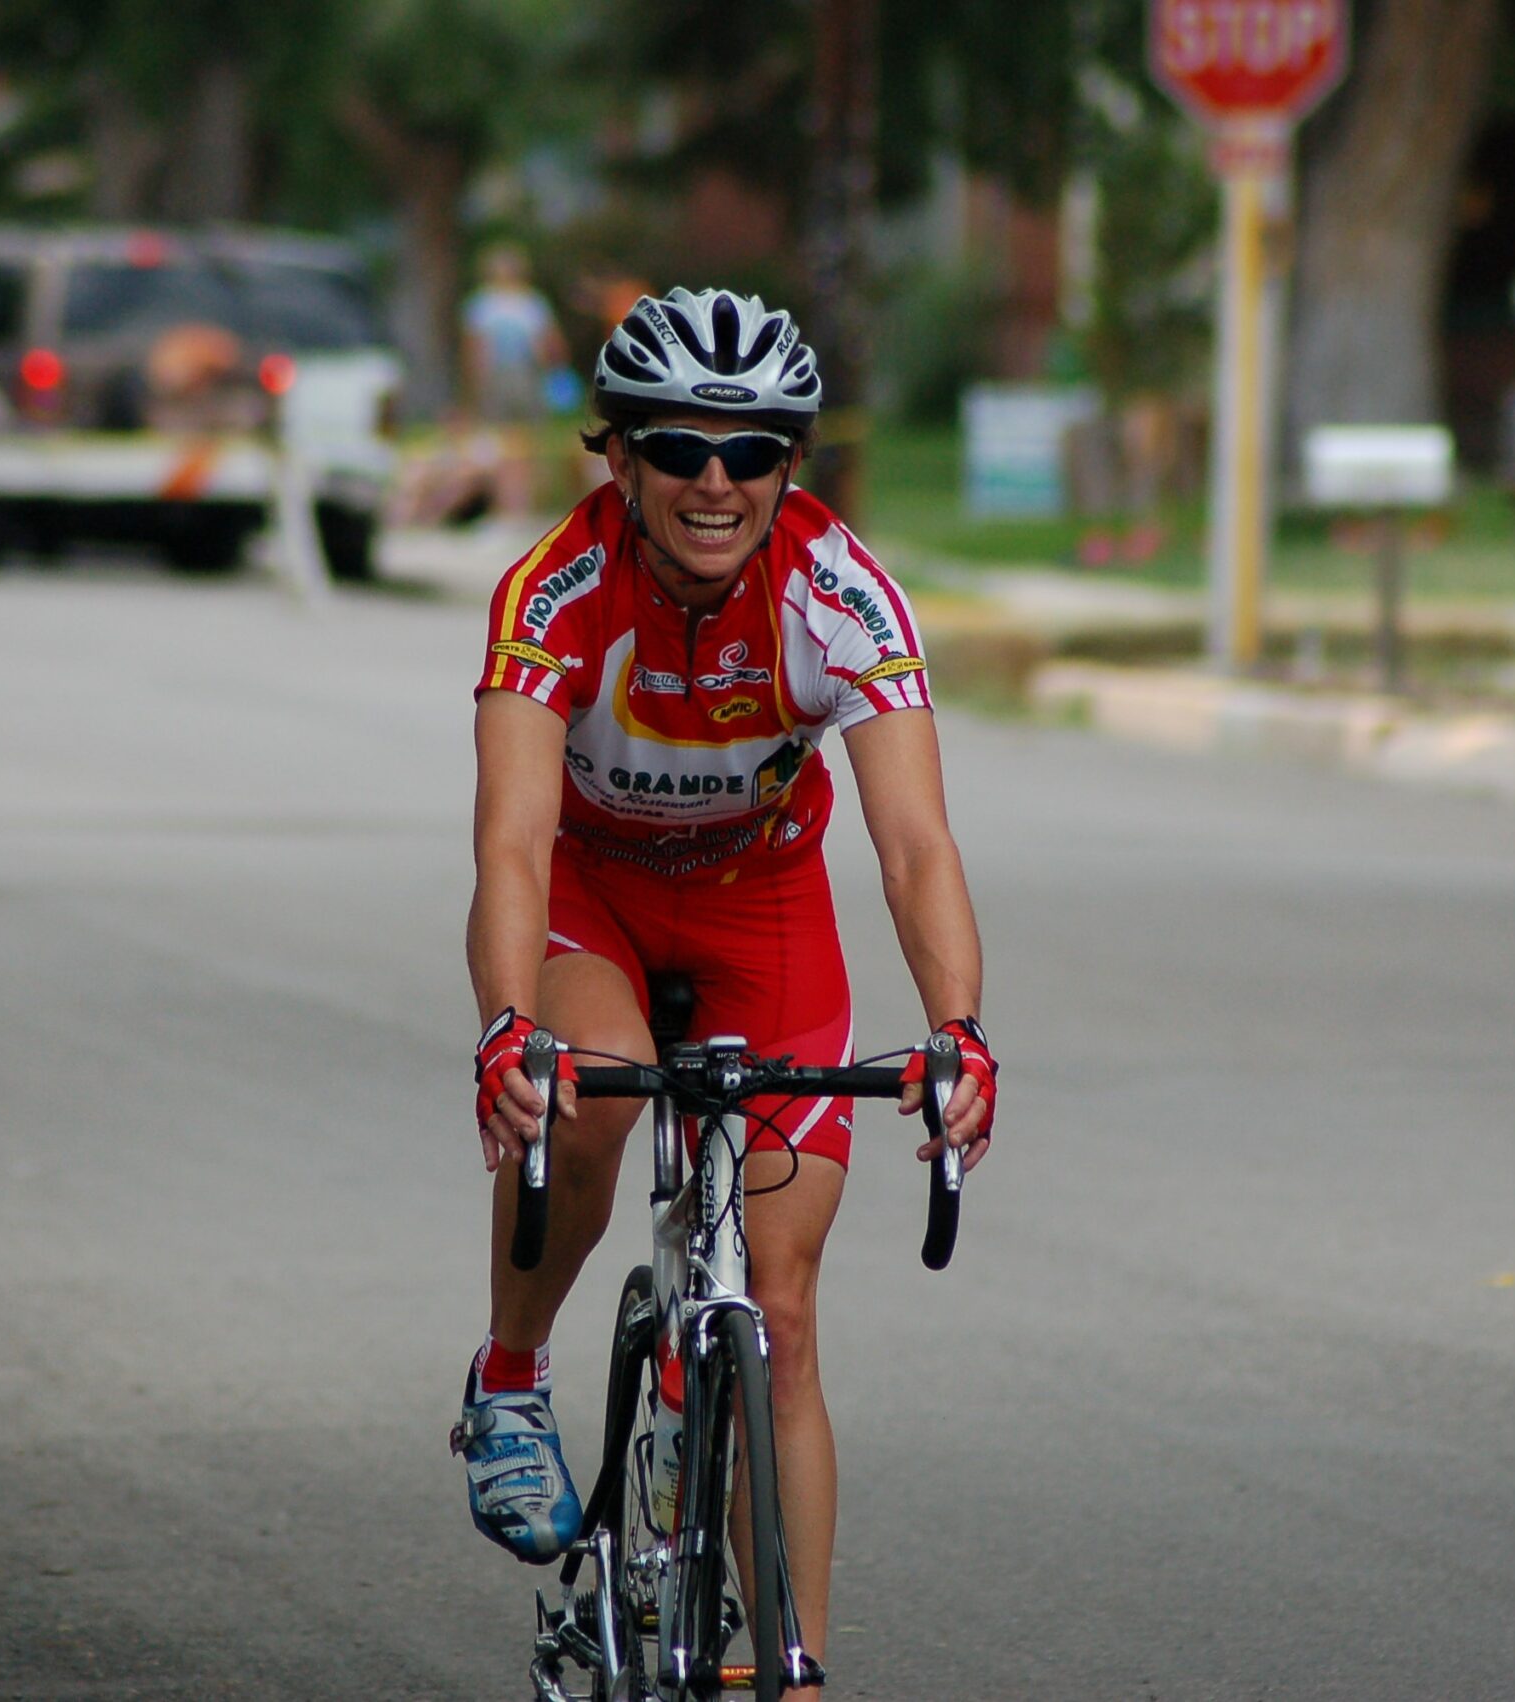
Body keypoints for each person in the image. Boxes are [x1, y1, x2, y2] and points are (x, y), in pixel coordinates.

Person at [454, 288, 998, 1695]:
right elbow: (509, 841)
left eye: (752, 451)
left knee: (788, 1307)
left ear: (789, 468)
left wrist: (958, 1034)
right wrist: (509, 1024)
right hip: (598, 898)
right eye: (679, 446)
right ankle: (513, 1372)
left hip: (763, 907)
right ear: (618, 459)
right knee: (590, 1094)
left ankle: (796, 1668)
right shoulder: (555, 591)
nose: (715, 480)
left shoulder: (841, 591)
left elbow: (917, 841)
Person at [460, 244, 569, 518]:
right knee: (499, 439)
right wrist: (476, 384)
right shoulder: (482, 304)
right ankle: (503, 502)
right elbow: (475, 348)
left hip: (526, 375)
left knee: (529, 439)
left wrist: (554, 375)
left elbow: (547, 343)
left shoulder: (531, 303)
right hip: (498, 378)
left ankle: (526, 501)